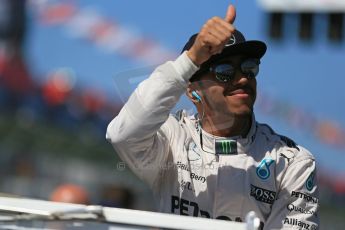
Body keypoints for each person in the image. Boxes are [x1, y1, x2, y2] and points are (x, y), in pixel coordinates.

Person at [106, 5, 319, 229]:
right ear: (192, 90)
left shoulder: (292, 162)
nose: (243, 79)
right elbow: (123, 135)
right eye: (225, 72)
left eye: (249, 68)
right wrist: (190, 60)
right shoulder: (172, 138)